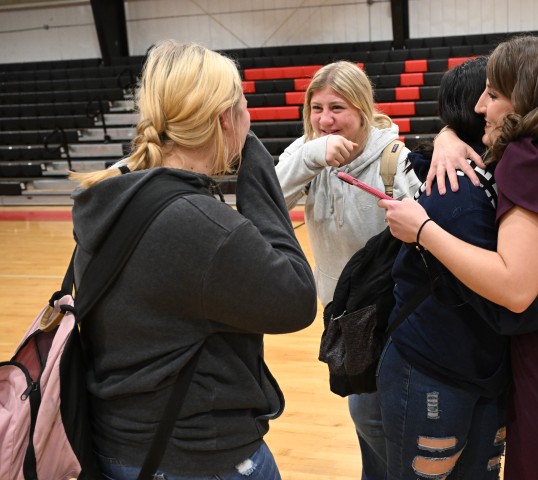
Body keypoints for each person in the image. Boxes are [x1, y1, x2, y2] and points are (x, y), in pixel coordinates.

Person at [380, 35, 538, 479]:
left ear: (534, 99)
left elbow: (515, 291)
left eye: (495, 94)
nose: (482, 106)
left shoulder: (530, 157)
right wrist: (446, 134)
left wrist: (424, 231)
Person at [69, 40, 317, 479]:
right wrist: (254, 159)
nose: (250, 117)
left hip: (119, 444)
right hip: (195, 455)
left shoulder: (113, 197)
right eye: (244, 107)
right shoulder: (201, 226)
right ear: (225, 119)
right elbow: (295, 298)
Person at [274, 60, 421, 480]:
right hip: (342, 312)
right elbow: (268, 201)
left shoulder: (393, 158)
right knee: (368, 417)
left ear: (362, 107)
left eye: (337, 108)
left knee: (371, 415)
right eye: (316, 108)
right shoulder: (306, 150)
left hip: (390, 315)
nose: (325, 119)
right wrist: (309, 158)